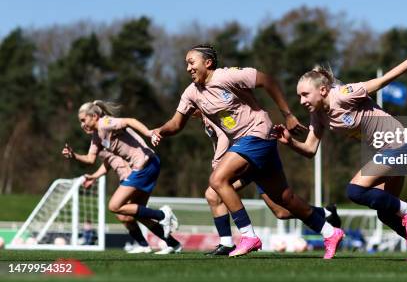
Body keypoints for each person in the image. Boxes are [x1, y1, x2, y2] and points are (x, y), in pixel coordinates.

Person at [151, 45, 343, 258]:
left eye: (191, 62)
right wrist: (160, 131)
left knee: (217, 180)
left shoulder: (228, 76)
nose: (188, 68)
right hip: (251, 143)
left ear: (208, 63)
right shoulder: (191, 93)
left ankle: (248, 235)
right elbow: (176, 124)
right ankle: (330, 231)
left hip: (258, 133)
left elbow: (267, 81)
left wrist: (287, 114)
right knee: (285, 201)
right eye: (186, 63)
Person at [274, 45, 407, 261]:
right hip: (388, 150)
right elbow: (309, 150)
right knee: (386, 212)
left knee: (355, 191)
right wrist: (289, 142)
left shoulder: (343, 95)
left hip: (400, 144)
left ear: (323, 90)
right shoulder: (319, 115)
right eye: (299, 96)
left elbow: (381, 82)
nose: (302, 101)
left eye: (305, 94)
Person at [200, 114, 341, 255]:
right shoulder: (207, 112)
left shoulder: (215, 109)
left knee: (214, 191)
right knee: (281, 212)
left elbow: (224, 139)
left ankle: (229, 242)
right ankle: (326, 213)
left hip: (250, 157)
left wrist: (218, 165)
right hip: (251, 155)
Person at [62, 100, 181, 254]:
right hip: (147, 166)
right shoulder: (96, 137)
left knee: (114, 206)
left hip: (145, 164)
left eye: (83, 120)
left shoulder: (105, 123)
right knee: (138, 214)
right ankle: (173, 244)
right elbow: (90, 159)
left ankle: (163, 214)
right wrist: (73, 155)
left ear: (94, 116)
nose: (82, 124)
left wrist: (149, 133)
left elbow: (129, 121)